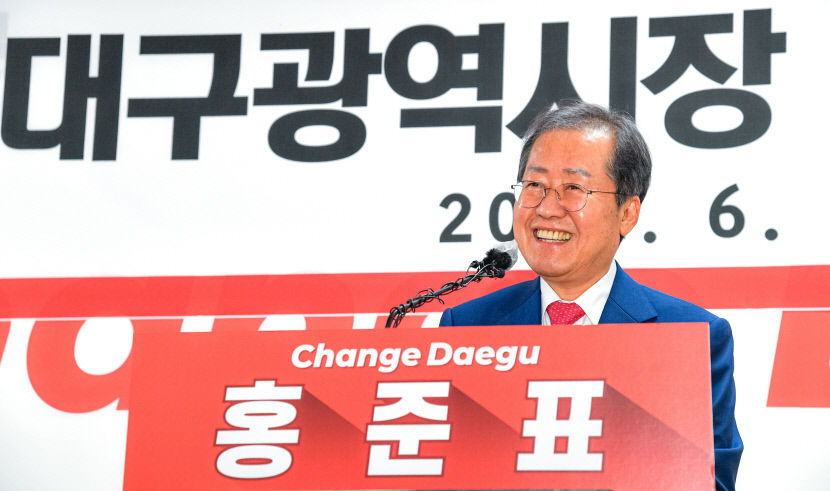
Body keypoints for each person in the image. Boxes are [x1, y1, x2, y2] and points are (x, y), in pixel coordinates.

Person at [439, 100, 742, 491]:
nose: (548, 209)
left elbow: (710, 482)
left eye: (573, 188)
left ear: (627, 213)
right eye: (534, 186)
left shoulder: (692, 337)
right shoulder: (466, 328)